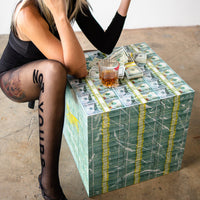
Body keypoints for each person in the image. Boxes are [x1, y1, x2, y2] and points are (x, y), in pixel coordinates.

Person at [0, 0, 131, 199]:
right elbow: (78, 70)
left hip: (44, 62)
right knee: (55, 70)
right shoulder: (28, 12)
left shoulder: (72, 2)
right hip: (14, 78)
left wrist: (125, 2)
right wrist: (61, 17)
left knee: (83, 59)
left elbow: (105, 44)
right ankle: (48, 181)